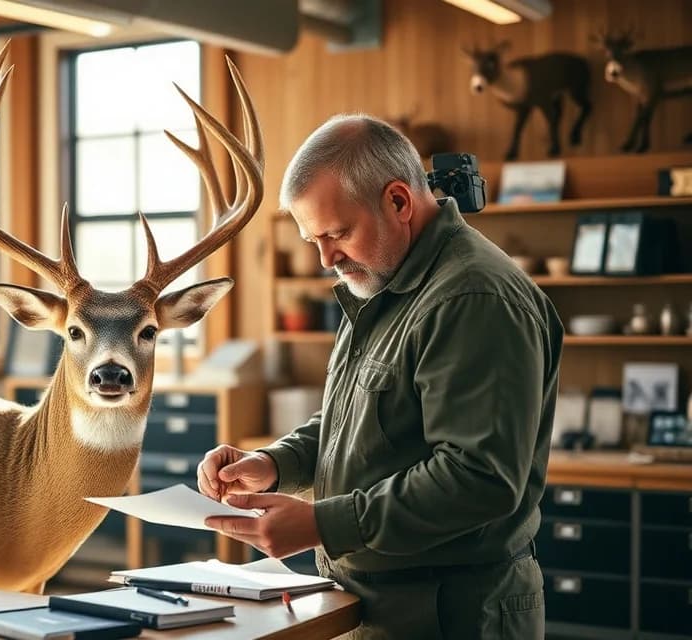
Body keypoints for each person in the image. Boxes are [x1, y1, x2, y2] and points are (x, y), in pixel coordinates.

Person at [197, 114, 564, 639]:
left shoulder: (474, 297)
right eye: (312, 240)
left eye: (337, 233)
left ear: (398, 201)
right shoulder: (381, 280)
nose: (326, 258)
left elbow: (479, 478)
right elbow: (356, 417)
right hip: (376, 606)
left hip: (453, 615)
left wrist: (322, 524)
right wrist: (274, 463)